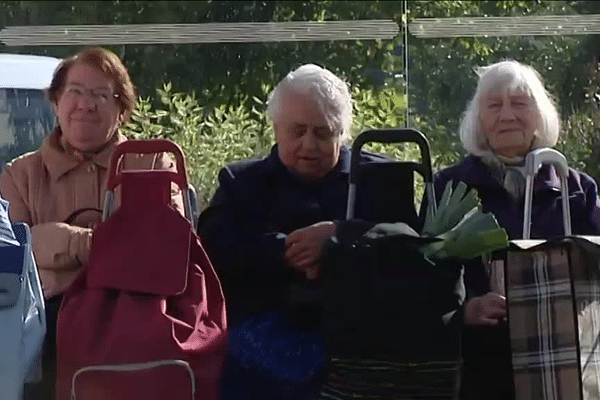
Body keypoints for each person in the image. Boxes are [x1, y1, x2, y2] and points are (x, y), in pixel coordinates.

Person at [197, 63, 395, 399]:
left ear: (342, 133)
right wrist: (287, 250)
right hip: (266, 333)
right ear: (276, 129)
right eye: (297, 131)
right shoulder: (240, 183)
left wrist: (341, 236)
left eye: (322, 133)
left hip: (361, 333)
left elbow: (414, 244)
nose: (309, 145)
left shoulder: (381, 180)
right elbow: (214, 250)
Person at [0, 46, 182, 400]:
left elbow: (164, 249)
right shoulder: (19, 175)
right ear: (56, 102)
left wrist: (63, 246)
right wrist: (105, 246)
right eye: (76, 92)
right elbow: (15, 259)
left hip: (137, 314)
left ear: (123, 110)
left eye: (101, 94)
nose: (86, 104)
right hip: (45, 325)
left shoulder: (153, 164)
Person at [434, 59, 600, 400]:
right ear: (479, 120)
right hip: (480, 367)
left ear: (539, 115)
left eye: (520, 103)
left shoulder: (578, 189)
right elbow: (425, 278)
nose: (507, 115)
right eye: (494, 106)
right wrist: (467, 310)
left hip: (564, 363)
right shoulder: (450, 187)